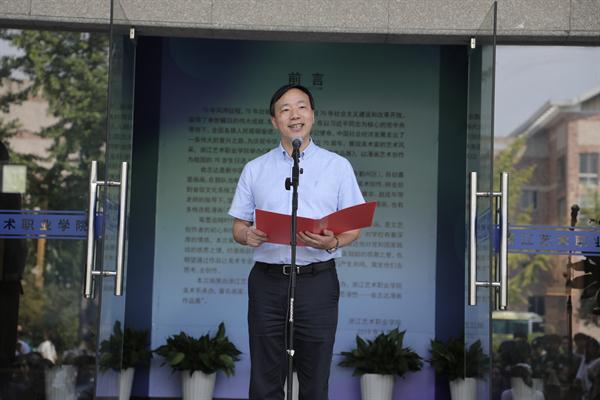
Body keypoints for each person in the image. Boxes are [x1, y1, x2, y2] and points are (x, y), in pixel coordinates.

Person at [229, 84, 365, 400]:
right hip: (267, 282)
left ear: (312, 115)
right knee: (265, 375)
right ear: (274, 121)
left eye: (301, 107)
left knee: (315, 376)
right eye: (285, 109)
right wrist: (247, 235)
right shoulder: (255, 168)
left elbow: (353, 226)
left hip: (317, 281)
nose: (295, 115)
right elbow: (238, 226)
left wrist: (332, 242)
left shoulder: (337, 166)